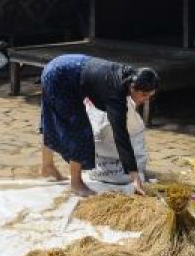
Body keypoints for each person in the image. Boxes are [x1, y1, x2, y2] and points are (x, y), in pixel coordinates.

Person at [38, 54, 159, 196]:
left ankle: (47, 166)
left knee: (52, 120)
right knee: (80, 131)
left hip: (61, 65)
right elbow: (120, 135)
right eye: (144, 96)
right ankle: (76, 184)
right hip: (60, 77)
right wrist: (134, 173)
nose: (145, 100)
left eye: (149, 97)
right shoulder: (116, 94)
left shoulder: (130, 75)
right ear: (133, 88)